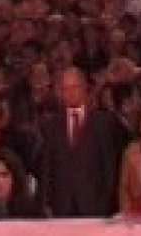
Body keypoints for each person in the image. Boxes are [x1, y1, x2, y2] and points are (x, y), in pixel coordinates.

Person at [38, 66, 119, 217]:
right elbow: (47, 167)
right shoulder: (51, 125)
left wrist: (107, 204)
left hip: (94, 206)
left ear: (84, 88)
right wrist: (46, 203)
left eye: (74, 87)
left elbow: (109, 167)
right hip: (61, 206)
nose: (70, 93)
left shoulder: (102, 122)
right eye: (66, 89)